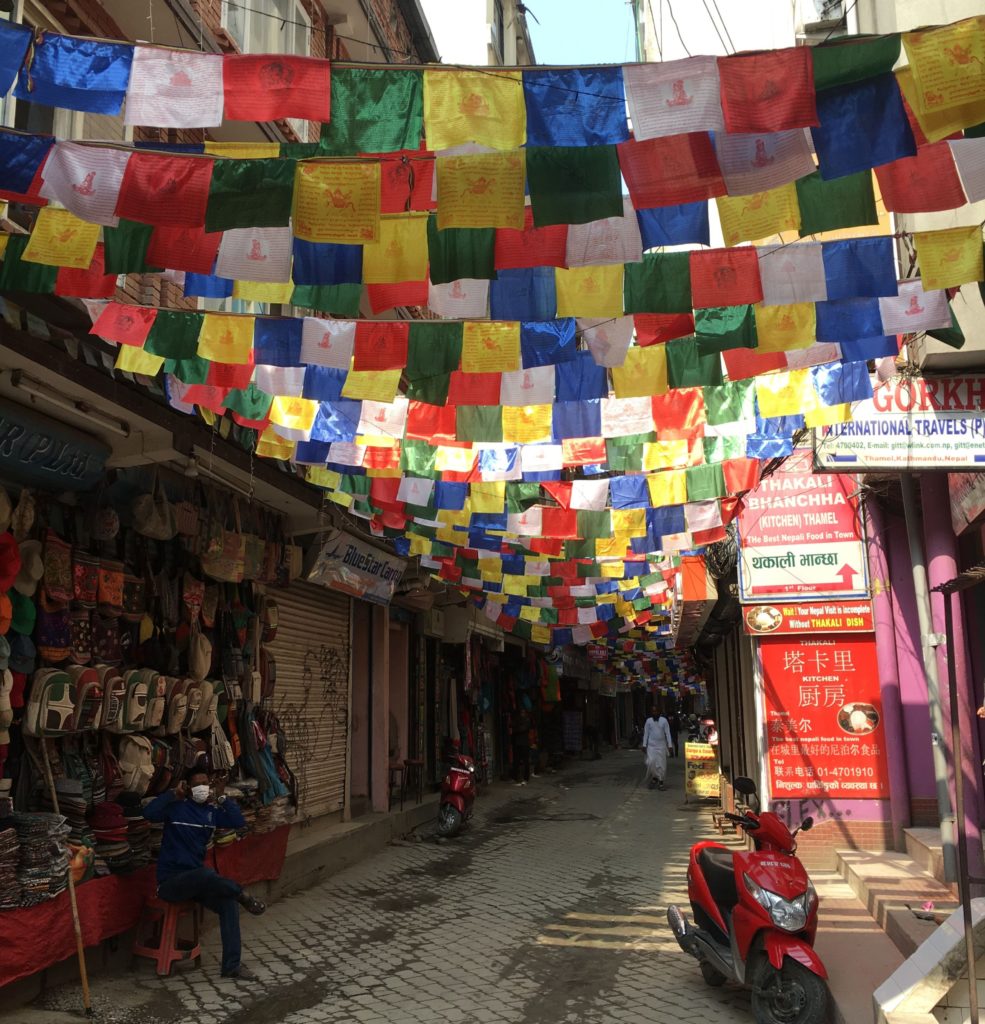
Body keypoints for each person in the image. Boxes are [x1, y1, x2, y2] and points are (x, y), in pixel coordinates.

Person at [143, 768, 266, 980]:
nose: (202, 787)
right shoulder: (176, 808)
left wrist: (222, 796)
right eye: (197, 783)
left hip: (196, 883)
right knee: (206, 874)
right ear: (188, 787)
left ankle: (231, 966)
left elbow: (238, 821)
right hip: (171, 882)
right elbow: (148, 813)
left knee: (227, 903)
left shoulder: (211, 813)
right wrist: (173, 794)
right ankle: (242, 894)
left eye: (205, 782)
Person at [641, 707, 673, 790]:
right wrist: (644, 745)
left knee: (661, 764)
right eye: (653, 711)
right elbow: (646, 734)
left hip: (661, 746)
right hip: (651, 746)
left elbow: (668, 733)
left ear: (659, 712)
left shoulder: (664, 721)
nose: (654, 712)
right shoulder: (648, 721)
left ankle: (661, 782)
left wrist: (670, 746)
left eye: (656, 711)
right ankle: (655, 777)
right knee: (650, 762)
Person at [512, 707, 532, 786]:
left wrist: (516, 728)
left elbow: (521, 729)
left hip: (524, 743)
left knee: (525, 761)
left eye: (523, 713)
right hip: (518, 743)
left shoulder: (527, 720)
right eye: (521, 713)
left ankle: (525, 777)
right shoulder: (518, 720)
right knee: (517, 760)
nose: (522, 714)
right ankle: (517, 777)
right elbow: (514, 727)